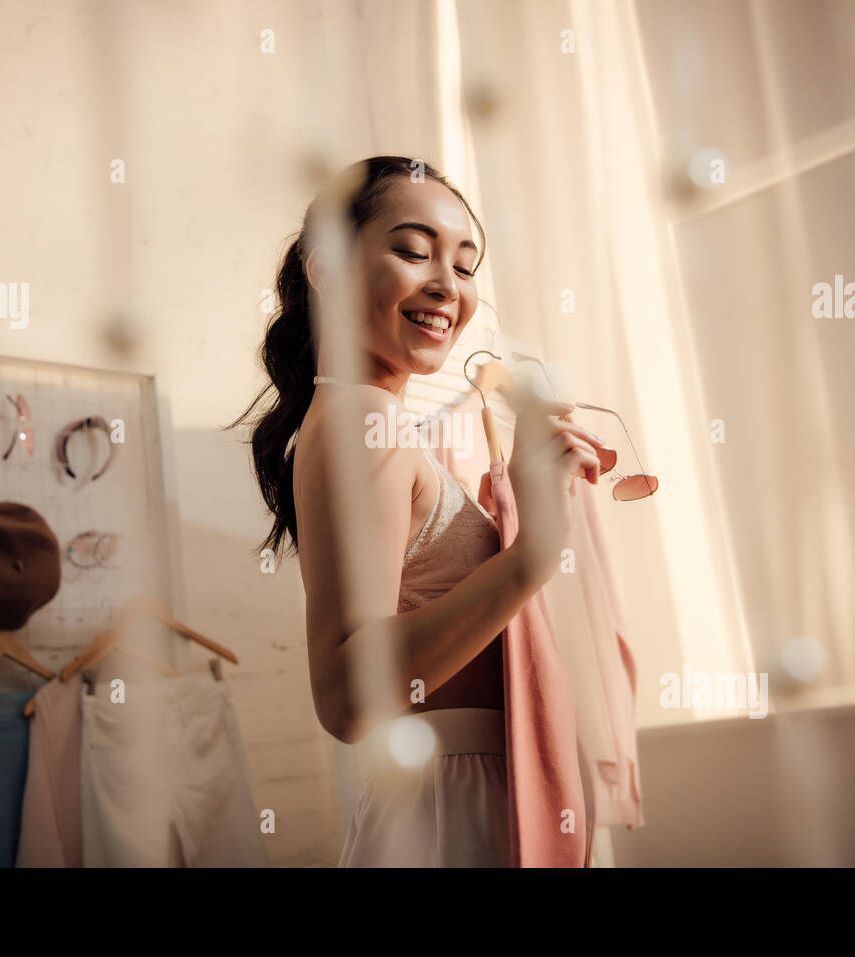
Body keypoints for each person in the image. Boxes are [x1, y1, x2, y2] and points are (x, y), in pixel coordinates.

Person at [229, 156, 603, 865]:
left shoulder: (371, 421)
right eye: (413, 250)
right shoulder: (364, 415)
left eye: (464, 266)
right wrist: (530, 556)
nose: (447, 287)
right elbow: (347, 694)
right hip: (453, 813)